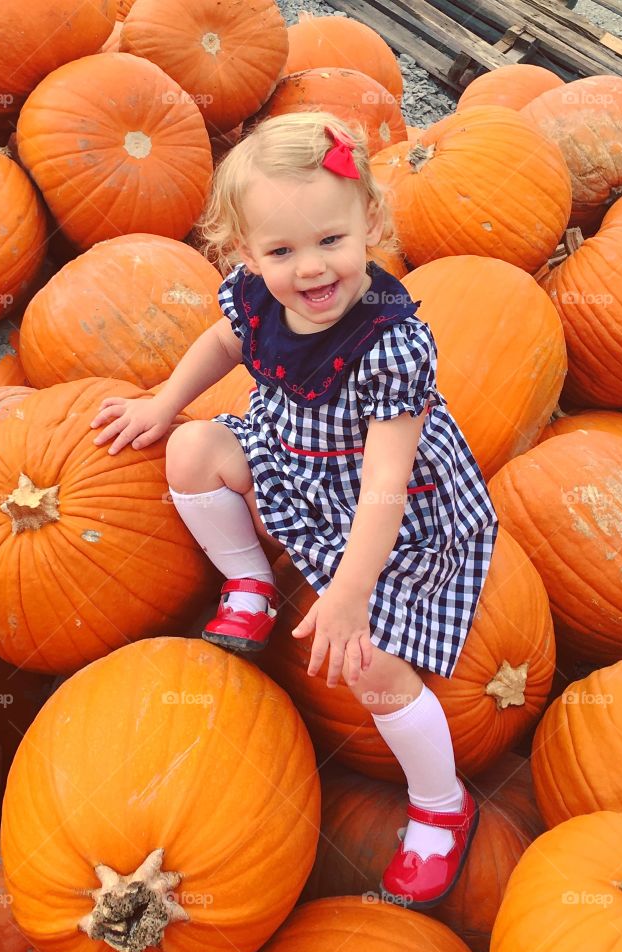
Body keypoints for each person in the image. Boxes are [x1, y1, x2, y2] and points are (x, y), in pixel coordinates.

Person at [89, 111, 498, 910]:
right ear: (246, 254)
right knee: (191, 452)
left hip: (394, 513)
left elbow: (384, 483)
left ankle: (443, 804)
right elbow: (222, 345)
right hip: (299, 461)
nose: (311, 269)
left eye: (330, 242)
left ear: (370, 224)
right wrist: (164, 404)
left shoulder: (390, 345)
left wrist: (348, 595)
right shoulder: (256, 297)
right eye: (281, 252)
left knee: (372, 663)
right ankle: (252, 585)